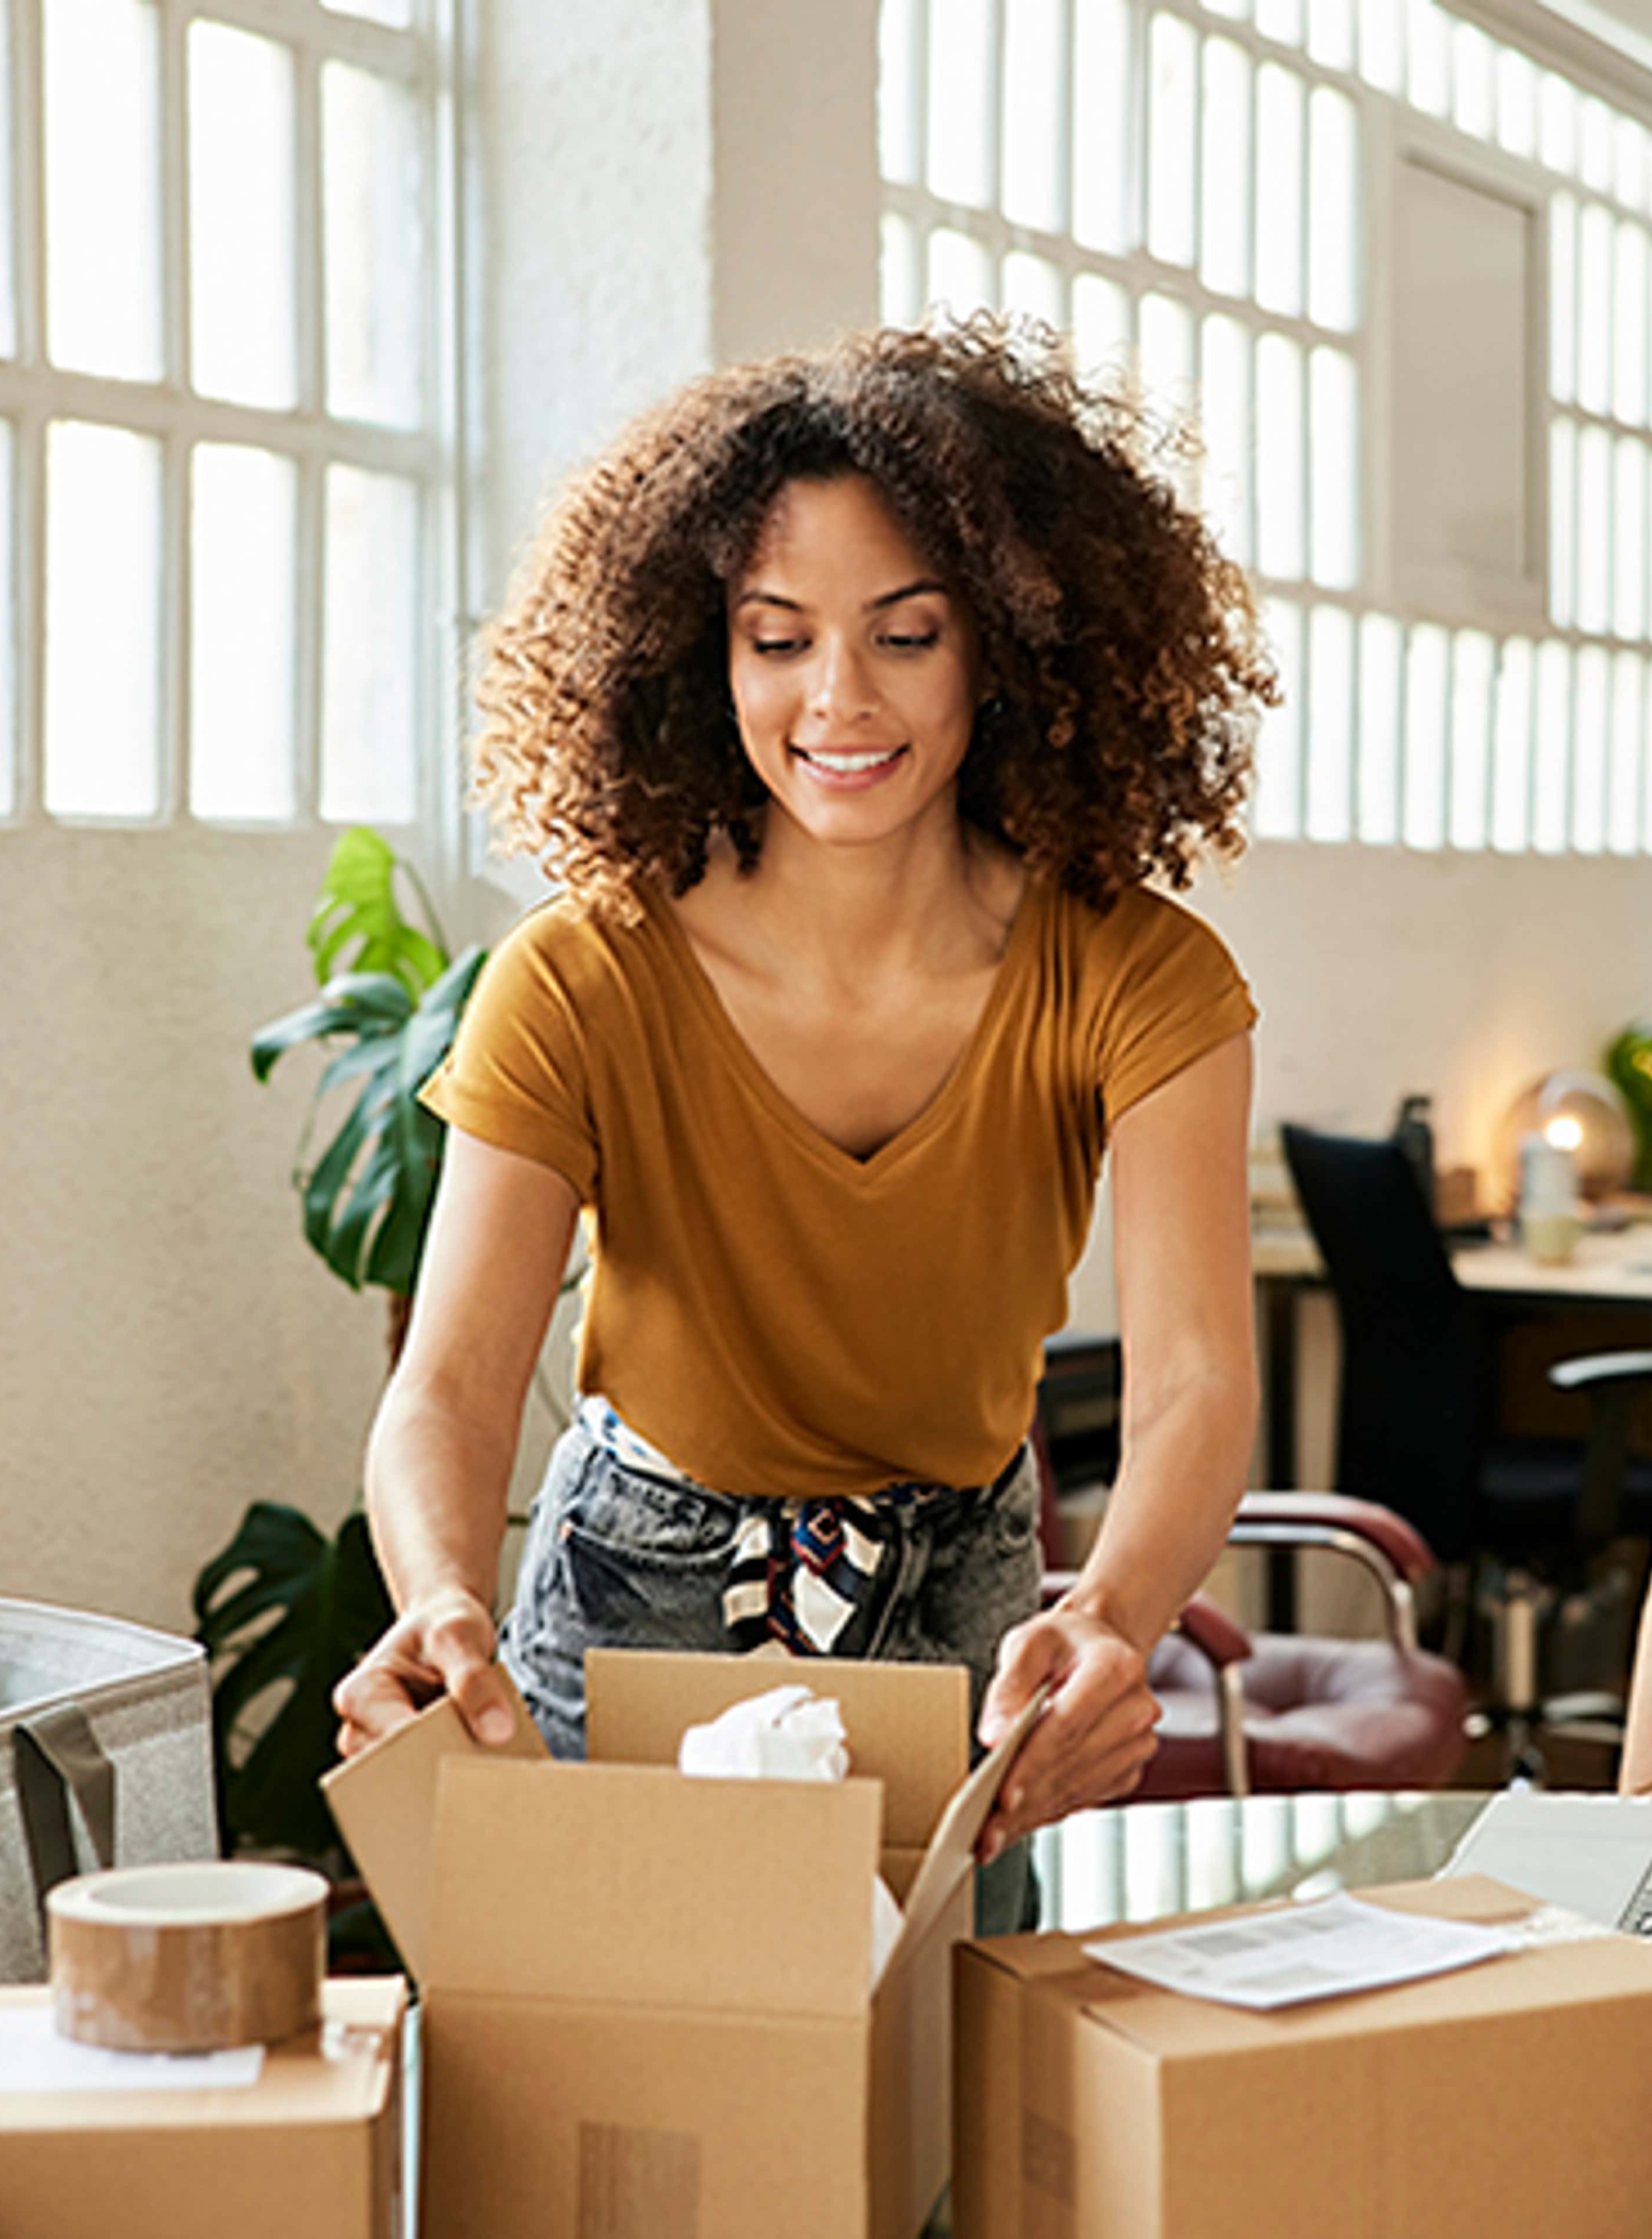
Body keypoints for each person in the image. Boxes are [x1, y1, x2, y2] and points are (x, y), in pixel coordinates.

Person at [332, 318, 1269, 1923]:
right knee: (621, 2119)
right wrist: (439, 1601)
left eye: (907, 634)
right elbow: (455, 1383)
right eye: (778, 640)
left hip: (966, 1620)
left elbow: (1193, 1379)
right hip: (627, 1609)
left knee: (946, 2131)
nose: (839, 698)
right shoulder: (581, 974)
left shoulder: (1138, 974)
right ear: (704, 656)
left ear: (1011, 645)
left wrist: (1109, 1610)